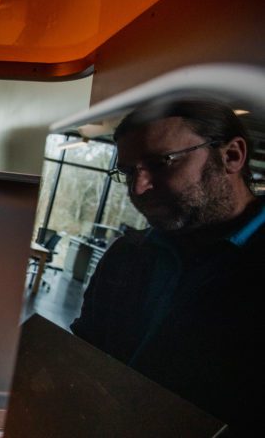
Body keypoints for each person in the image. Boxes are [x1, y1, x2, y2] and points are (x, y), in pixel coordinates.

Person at [71, 99, 264, 434]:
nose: (139, 188)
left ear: (231, 156)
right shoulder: (127, 255)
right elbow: (86, 353)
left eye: (161, 162)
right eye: (129, 172)